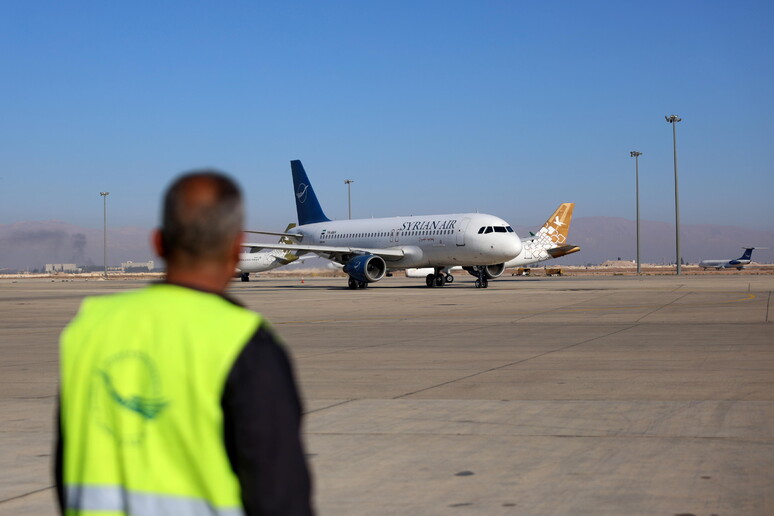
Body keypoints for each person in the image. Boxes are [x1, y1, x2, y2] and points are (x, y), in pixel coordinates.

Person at [55, 171, 314, 515]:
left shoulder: (87, 329)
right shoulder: (246, 342)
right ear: (236, 248)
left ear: (159, 243)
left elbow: (66, 466)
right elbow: (280, 494)